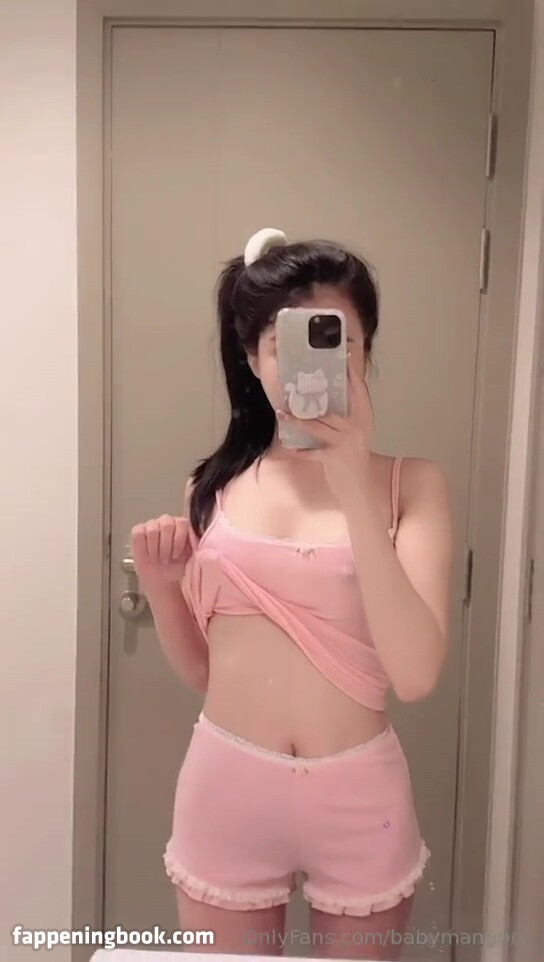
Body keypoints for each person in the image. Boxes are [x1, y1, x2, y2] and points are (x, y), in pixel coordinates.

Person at [131, 228, 453, 960]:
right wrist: (162, 588)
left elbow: (414, 675)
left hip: (360, 798)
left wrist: (350, 477)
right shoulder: (211, 488)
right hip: (227, 786)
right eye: (287, 345)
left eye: (339, 340)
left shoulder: (413, 485)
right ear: (253, 359)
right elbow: (208, 673)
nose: (318, 363)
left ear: (365, 352)